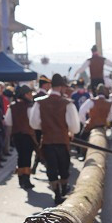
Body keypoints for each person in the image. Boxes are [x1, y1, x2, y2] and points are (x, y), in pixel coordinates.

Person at [29, 74, 81, 205]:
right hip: (62, 141)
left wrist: (47, 126)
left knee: (51, 169)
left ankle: (57, 194)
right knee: (64, 168)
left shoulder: (39, 102)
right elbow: (75, 127)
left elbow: (34, 123)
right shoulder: (67, 103)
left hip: (47, 141)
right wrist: (67, 130)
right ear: (62, 87)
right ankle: (63, 189)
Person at [5, 85, 37, 190]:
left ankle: (21, 179)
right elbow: (33, 122)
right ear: (25, 95)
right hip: (27, 135)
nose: (31, 95)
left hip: (17, 135)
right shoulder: (30, 106)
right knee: (27, 157)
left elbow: (8, 122)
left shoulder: (12, 106)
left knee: (21, 156)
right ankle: (26, 180)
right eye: (29, 93)